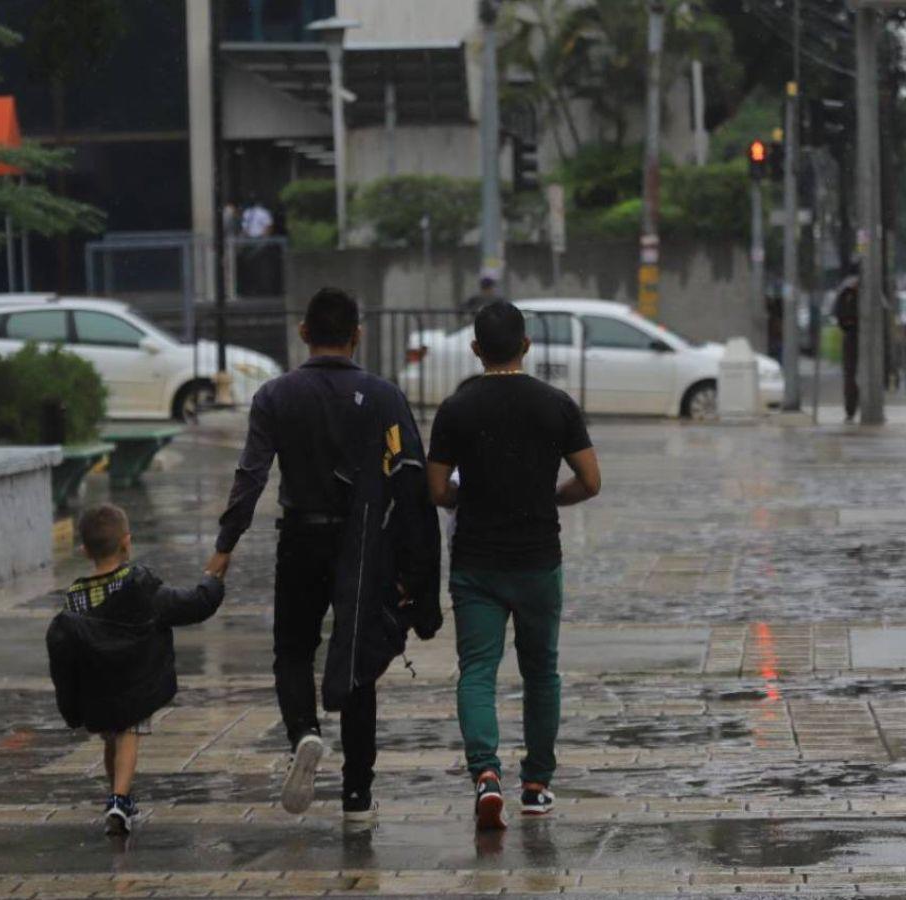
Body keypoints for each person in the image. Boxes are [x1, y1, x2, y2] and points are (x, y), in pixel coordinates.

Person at [206, 287, 442, 823]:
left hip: (301, 539)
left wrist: (225, 548)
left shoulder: (275, 396)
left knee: (293, 648)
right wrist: (415, 570)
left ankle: (305, 734)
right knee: (358, 657)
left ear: (304, 333)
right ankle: (357, 793)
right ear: (357, 335)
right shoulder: (384, 396)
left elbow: (251, 475)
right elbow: (411, 485)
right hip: (366, 547)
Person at [426, 301, 600, 831]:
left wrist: (468, 499)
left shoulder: (456, 409)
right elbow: (590, 481)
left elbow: (436, 489)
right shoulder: (557, 405)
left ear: (476, 349)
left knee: (477, 672)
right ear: (526, 346)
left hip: (476, 563)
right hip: (538, 562)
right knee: (540, 672)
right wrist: (551, 499)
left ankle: (485, 776)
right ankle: (537, 786)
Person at [46, 504, 224, 835]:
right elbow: (192, 605)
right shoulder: (140, 587)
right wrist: (212, 581)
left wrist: (72, 705)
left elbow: (66, 650)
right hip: (133, 682)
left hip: (97, 689)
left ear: (84, 550)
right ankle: (119, 798)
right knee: (129, 732)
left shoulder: (73, 598)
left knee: (111, 739)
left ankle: (117, 793)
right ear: (127, 542)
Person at [835, 263, 860, 423]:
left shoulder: (848, 290)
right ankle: (851, 410)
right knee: (850, 375)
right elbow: (841, 315)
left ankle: (854, 409)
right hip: (852, 336)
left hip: (856, 336)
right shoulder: (847, 291)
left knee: (853, 374)